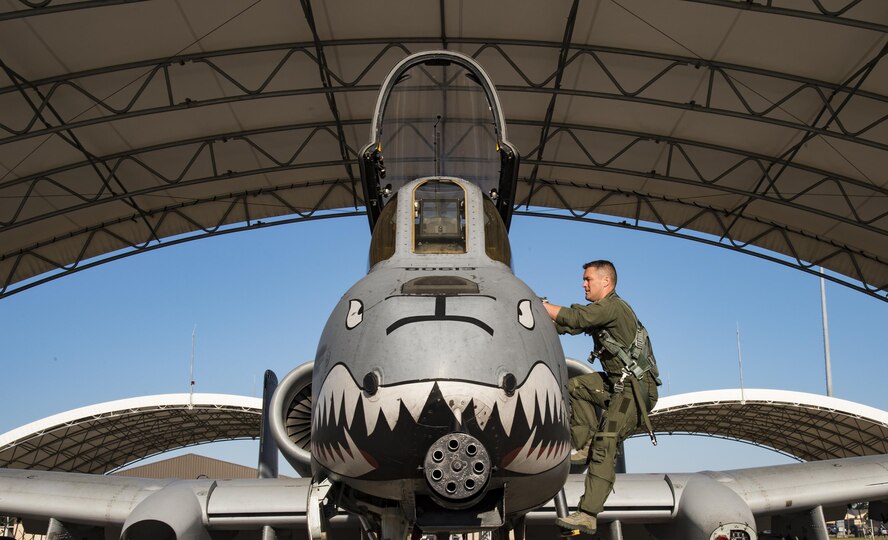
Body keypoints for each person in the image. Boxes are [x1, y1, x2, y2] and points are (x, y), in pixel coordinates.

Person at [542, 260, 660, 535]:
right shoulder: (601, 311)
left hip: (636, 391)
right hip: (618, 384)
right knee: (574, 387)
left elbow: (576, 319)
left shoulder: (613, 307)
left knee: (606, 441)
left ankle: (588, 514)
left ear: (605, 282)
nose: (583, 284)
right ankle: (582, 445)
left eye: (588, 280)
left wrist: (540, 305)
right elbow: (568, 324)